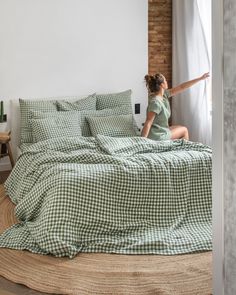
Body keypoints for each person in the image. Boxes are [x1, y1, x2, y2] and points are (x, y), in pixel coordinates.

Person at [141, 72, 210, 141]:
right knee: (184, 130)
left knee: (179, 127)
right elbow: (148, 122)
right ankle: (185, 150)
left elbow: (182, 87)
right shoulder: (155, 102)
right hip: (157, 136)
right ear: (162, 85)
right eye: (165, 80)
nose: (166, 81)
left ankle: (176, 147)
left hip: (159, 131)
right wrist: (142, 140)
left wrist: (200, 78)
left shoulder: (164, 95)